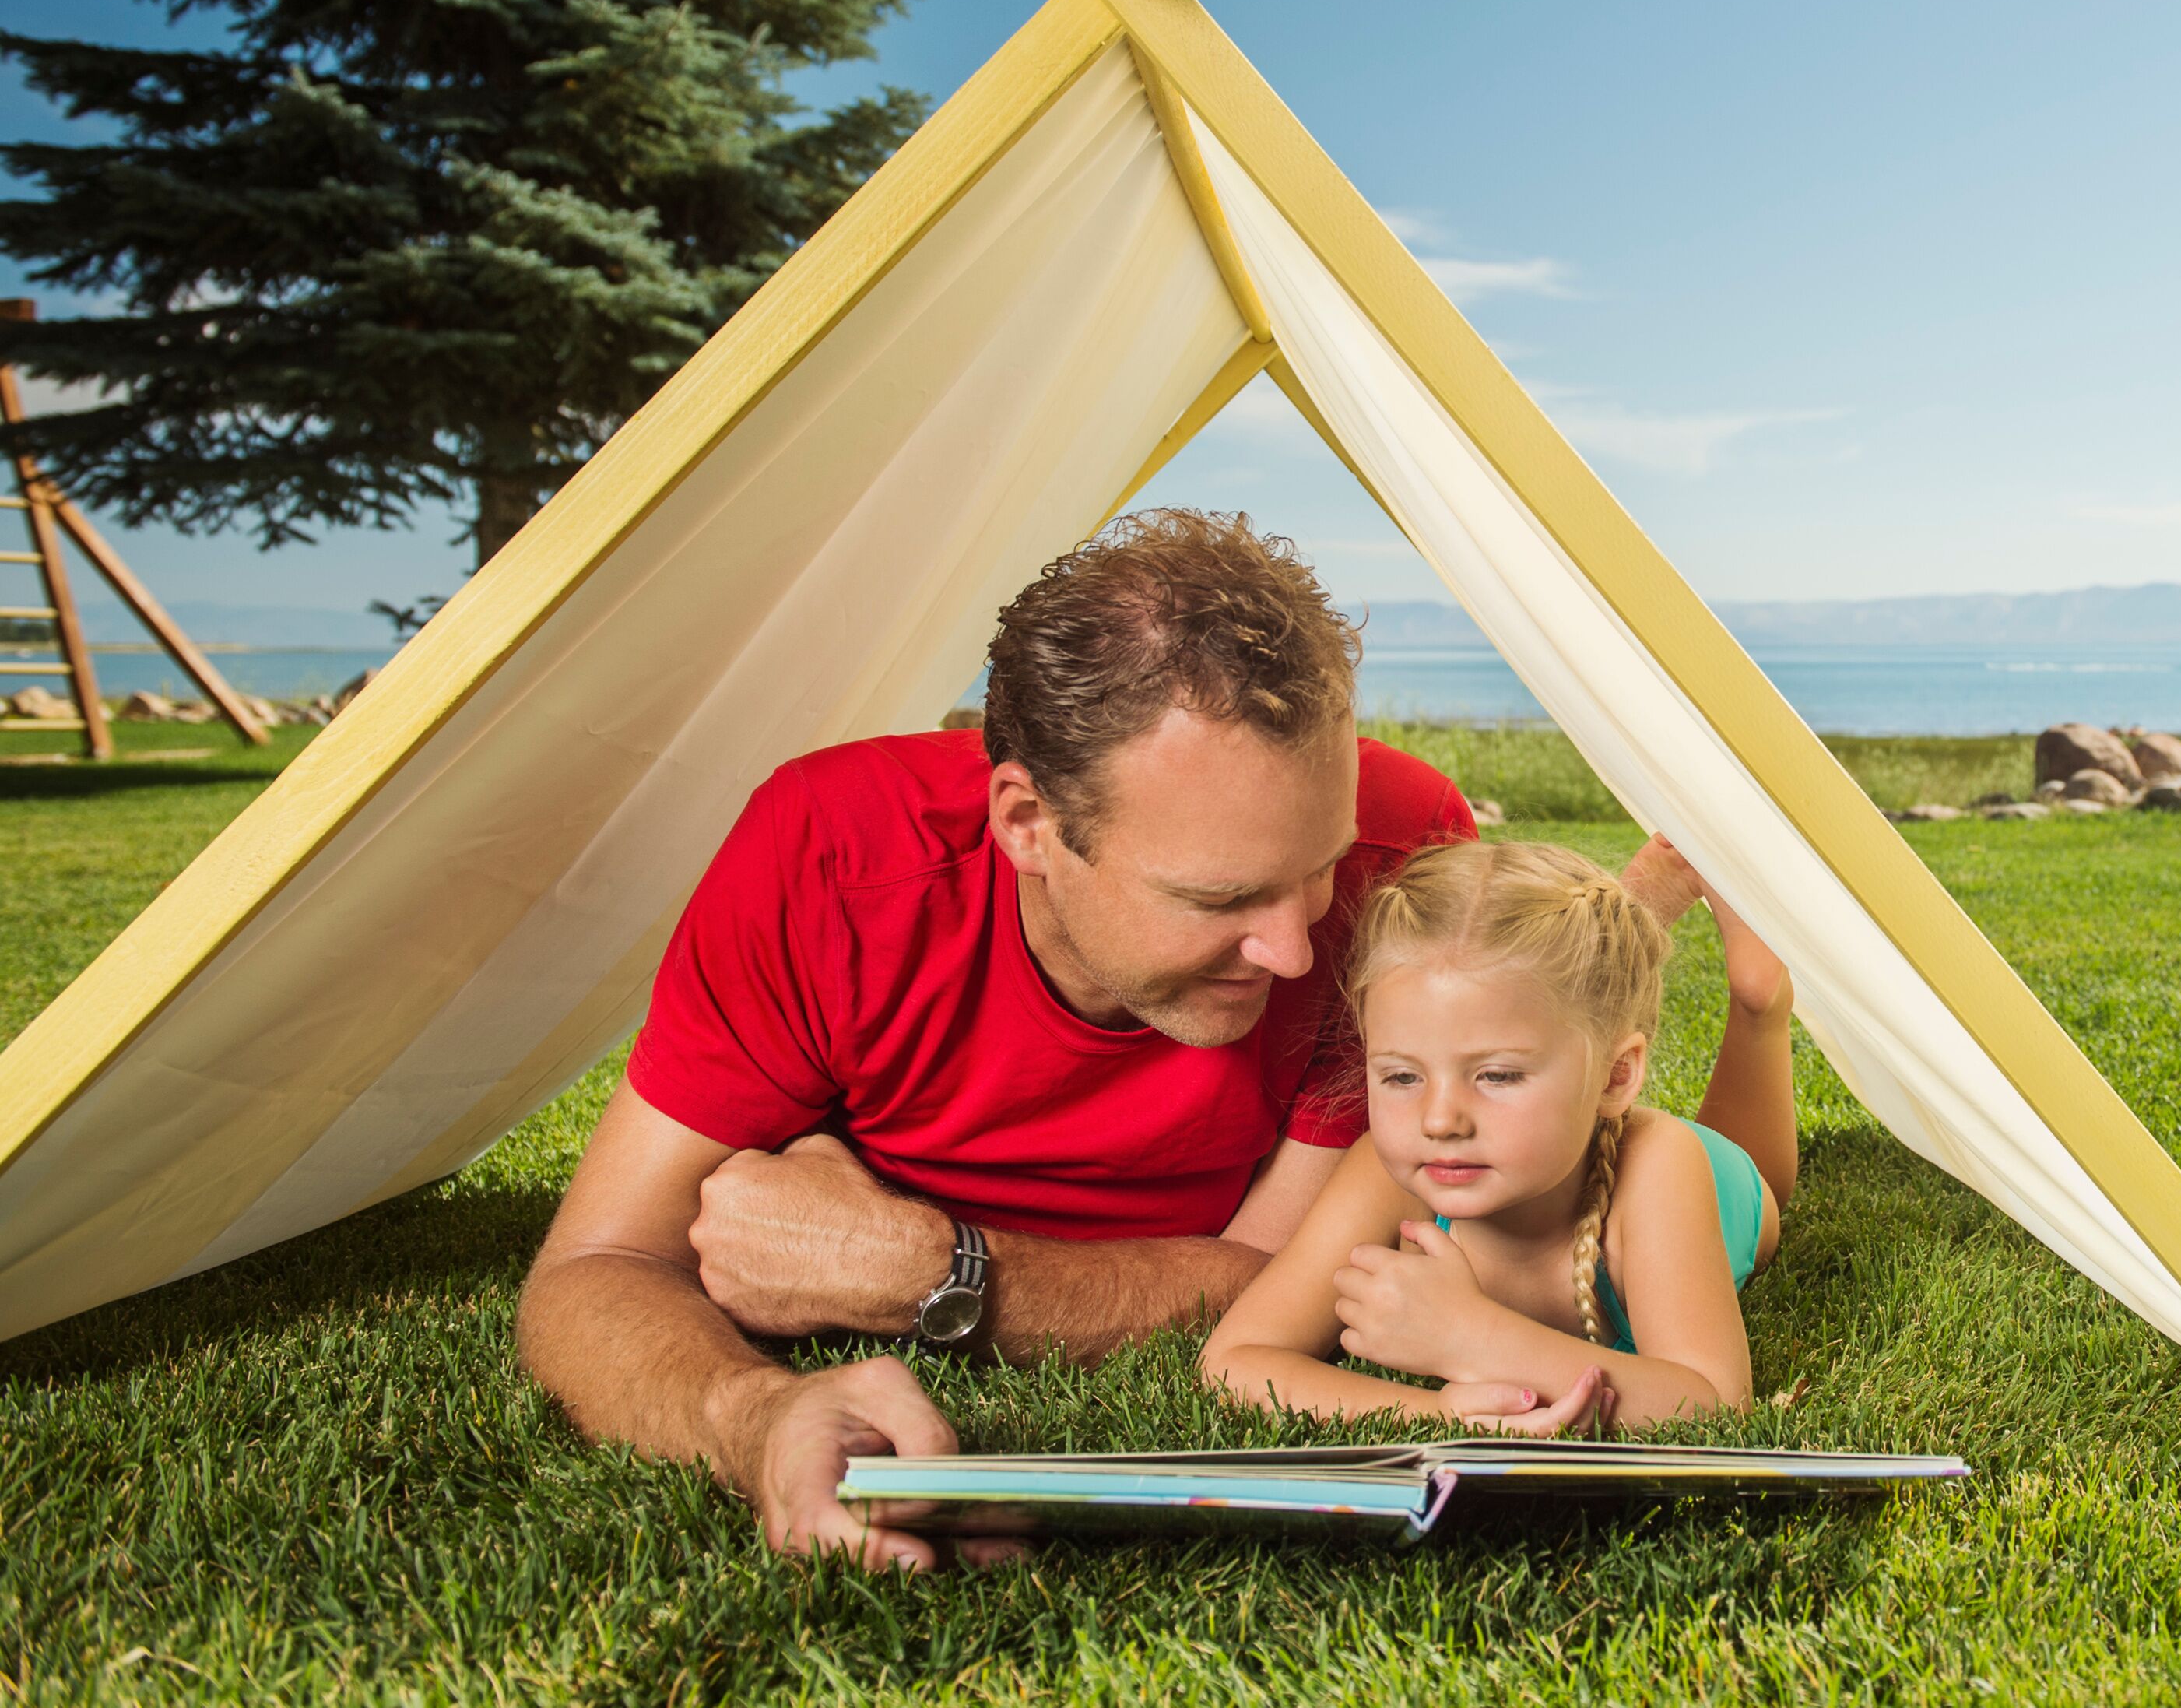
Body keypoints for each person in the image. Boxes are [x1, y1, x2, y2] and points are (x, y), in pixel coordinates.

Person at [514, 509, 1745, 1569]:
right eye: (1218, 900)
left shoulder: (1398, 849)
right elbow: (594, 1266)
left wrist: (934, 1271)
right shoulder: (833, 857)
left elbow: (1268, 1277)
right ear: (1029, 821)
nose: (1297, 951)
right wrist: (750, 1411)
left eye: (1312, 871)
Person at [1202, 837, 1796, 1432]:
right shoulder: (1387, 1175)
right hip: (1580, 1122)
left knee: (1765, 1186)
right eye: (1403, 1074)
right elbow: (1233, 1362)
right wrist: (1438, 1410)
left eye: (1497, 1075)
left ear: (1619, 1076)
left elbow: (1711, 1403)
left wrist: (1471, 1335)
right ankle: (1625, 938)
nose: (1439, 1121)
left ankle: (1758, 1004)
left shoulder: (1662, 1166)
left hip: (1716, 1185)